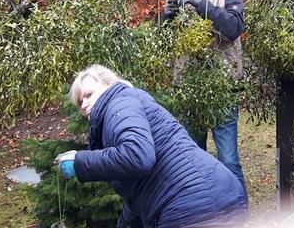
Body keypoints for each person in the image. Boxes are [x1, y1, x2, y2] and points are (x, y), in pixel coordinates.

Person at [55, 64, 248, 228]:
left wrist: (80, 161)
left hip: (192, 207)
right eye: (80, 102)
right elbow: (139, 191)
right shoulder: (127, 104)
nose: (85, 104)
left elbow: (137, 156)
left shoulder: (119, 104)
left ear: (108, 85)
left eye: (89, 95)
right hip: (223, 192)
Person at [162, 0, 247, 196]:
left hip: (222, 92)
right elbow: (164, 44)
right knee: (193, 158)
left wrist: (201, 5)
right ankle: (202, 211)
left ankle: (239, 215)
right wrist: (165, 19)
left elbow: (233, 28)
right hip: (190, 92)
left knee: (228, 159)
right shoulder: (180, 2)